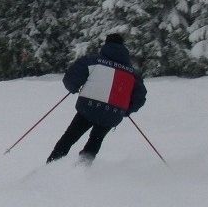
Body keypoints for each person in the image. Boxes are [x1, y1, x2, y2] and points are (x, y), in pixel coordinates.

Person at [47, 34, 147, 166]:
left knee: (70, 137)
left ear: (106, 44)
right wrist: (127, 110)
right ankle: (83, 168)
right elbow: (140, 96)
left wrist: (74, 87)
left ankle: (52, 165)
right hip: (113, 112)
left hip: (88, 108)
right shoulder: (133, 73)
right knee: (95, 140)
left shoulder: (93, 61)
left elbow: (71, 76)